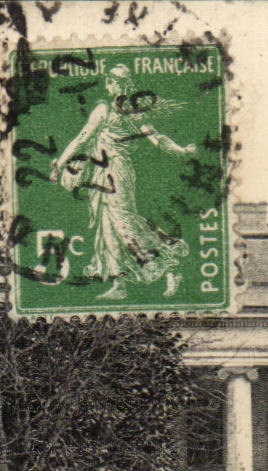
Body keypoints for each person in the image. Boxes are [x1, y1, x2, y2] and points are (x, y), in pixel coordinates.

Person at [49, 65, 196, 301]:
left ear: (117, 85)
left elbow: (82, 138)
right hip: (109, 172)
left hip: (114, 173)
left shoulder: (105, 109)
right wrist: (181, 151)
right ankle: (119, 285)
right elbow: (158, 140)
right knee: (106, 226)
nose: (106, 86)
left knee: (122, 223)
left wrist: (60, 164)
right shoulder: (134, 113)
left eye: (109, 82)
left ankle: (169, 265)